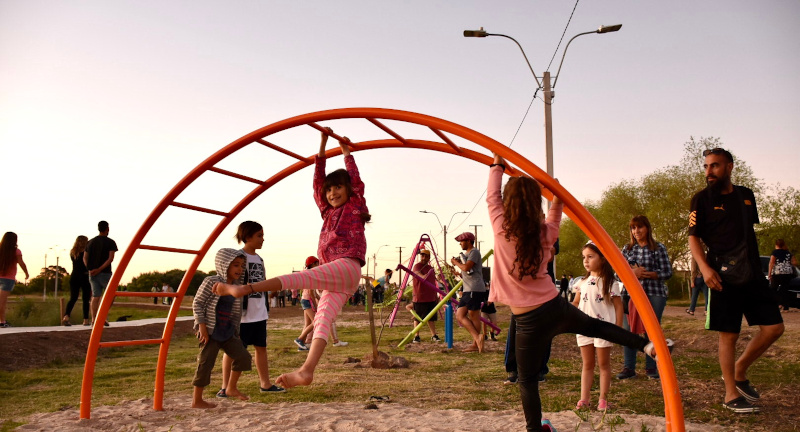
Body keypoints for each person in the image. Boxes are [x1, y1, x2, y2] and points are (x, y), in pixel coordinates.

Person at [487, 154, 668, 432]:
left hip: (528, 321)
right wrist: (551, 189)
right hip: (553, 306)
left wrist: (497, 167)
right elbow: (549, 209)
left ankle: (535, 429)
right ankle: (645, 345)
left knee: (527, 380)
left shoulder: (501, 229)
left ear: (508, 204)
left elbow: (492, 199)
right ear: (535, 203)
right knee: (596, 327)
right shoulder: (544, 233)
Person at [214, 127, 369, 389]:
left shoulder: (354, 205)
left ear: (349, 189)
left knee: (300, 277)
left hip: (347, 266)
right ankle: (307, 371)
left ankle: (247, 289)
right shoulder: (326, 212)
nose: (332, 193)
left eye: (338, 188)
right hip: (339, 278)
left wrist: (345, 152)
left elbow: (354, 179)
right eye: (329, 191)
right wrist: (321, 144)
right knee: (322, 319)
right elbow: (318, 182)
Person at [688, 147, 784, 413]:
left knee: (774, 328)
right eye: (706, 167)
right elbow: (693, 238)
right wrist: (705, 269)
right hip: (720, 275)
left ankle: (739, 370)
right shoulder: (701, 200)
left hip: (752, 273)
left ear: (729, 167)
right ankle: (730, 394)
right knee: (729, 334)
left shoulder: (746, 195)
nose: (709, 172)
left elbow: (746, 233)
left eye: (715, 166)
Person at [219, 221, 284, 397]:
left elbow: (262, 280)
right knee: (233, 351)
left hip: (259, 312)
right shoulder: (237, 257)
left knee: (261, 348)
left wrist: (267, 297)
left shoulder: (259, 259)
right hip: (242, 315)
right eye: (259, 236)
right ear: (247, 237)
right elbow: (228, 282)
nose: (263, 239)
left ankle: (266, 384)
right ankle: (225, 387)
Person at [191, 248, 252, 408]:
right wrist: (201, 325)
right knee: (205, 364)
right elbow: (197, 303)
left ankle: (231, 388)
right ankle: (197, 400)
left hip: (227, 332)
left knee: (244, 357)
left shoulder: (237, 286)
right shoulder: (211, 281)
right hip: (210, 332)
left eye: (241, 265)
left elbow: (235, 312)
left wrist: (236, 332)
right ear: (224, 265)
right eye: (235, 265)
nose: (239, 269)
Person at [618, 215, 673, 380]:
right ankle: (629, 367)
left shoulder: (658, 248)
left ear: (647, 228)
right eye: (633, 228)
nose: (636, 231)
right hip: (630, 295)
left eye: (640, 227)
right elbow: (617, 273)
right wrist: (632, 273)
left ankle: (651, 367)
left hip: (654, 292)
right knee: (628, 331)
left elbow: (667, 272)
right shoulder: (627, 250)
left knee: (652, 330)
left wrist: (647, 274)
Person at [572, 242, 624, 411]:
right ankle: (584, 399)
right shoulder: (581, 282)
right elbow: (576, 302)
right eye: (584, 257)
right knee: (587, 364)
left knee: (603, 364)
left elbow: (618, 306)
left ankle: (603, 399)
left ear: (602, 259)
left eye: (590, 257)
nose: (585, 261)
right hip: (583, 328)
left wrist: (617, 328)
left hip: (603, 329)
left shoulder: (611, 283)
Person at [450, 231, 486, 353]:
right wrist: (457, 272)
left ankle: (476, 342)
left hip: (474, 289)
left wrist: (456, 263)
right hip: (468, 289)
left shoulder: (474, 252)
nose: (460, 244)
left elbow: (467, 268)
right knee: (460, 315)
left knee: (474, 315)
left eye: (462, 241)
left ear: (469, 241)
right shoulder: (467, 254)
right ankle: (477, 339)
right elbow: (467, 272)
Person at [84, 221, 117, 327]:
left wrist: (90, 269)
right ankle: (102, 317)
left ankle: (94, 319)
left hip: (92, 273)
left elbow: (85, 257)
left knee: (95, 295)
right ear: (107, 228)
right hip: (105, 273)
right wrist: (99, 269)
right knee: (110, 295)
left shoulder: (90, 242)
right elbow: (110, 258)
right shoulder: (110, 242)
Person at [406, 249, 440, 343]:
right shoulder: (417, 266)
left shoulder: (430, 268)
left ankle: (434, 335)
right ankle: (416, 336)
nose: (424, 258)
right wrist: (423, 276)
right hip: (419, 297)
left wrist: (436, 295)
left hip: (430, 297)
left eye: (426, 256)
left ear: (429, 257)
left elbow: (433, 283)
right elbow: (417, 273)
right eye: (422, 256)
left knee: (431, 318)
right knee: (417, 318)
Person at [0, 232, 30, 328]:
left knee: (2, 302)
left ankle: (2, 321)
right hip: (8, 279)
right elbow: (21, 263)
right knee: (2, 302)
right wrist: (26, 273)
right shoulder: (16, 251)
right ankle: (2, 322)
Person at [63, 235, 91, 326]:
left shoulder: (73, 252)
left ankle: (66, 316)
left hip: (74, 276)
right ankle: (85, 320)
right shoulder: (86, 252)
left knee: (73, 298)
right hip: (84, 276)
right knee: (85, 299)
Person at [768, 239, 795, 312]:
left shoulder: (775, 252)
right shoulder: (788, 252)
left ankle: (776, 304)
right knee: (785, 289)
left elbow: (771, 263)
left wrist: (769, 273)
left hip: (778, 272)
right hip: (787, 272)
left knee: (773, 288)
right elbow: (794, 262)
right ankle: (785, 306)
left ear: (776, 245)